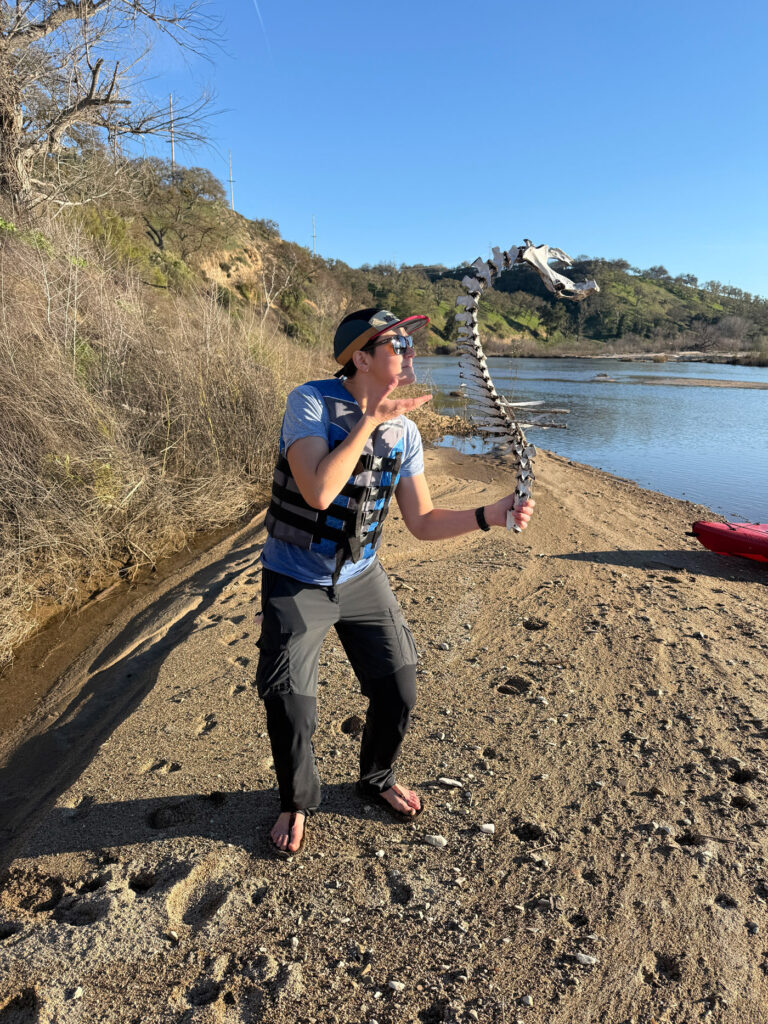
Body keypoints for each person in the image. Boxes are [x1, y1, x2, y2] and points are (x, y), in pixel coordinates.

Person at [256, 308, 535, 856]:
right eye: (397, 343)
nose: (410, 352)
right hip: (295, 577)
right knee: (290, 699)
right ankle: (296, 800)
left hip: (361, 578)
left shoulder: (406, 432)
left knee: (398, 685)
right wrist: (368, 420)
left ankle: (376, 777)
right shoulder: (309, 402)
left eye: (411, 342)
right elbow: (316, 492)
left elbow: (423, 522)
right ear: (361, 357)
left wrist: (493, 514)